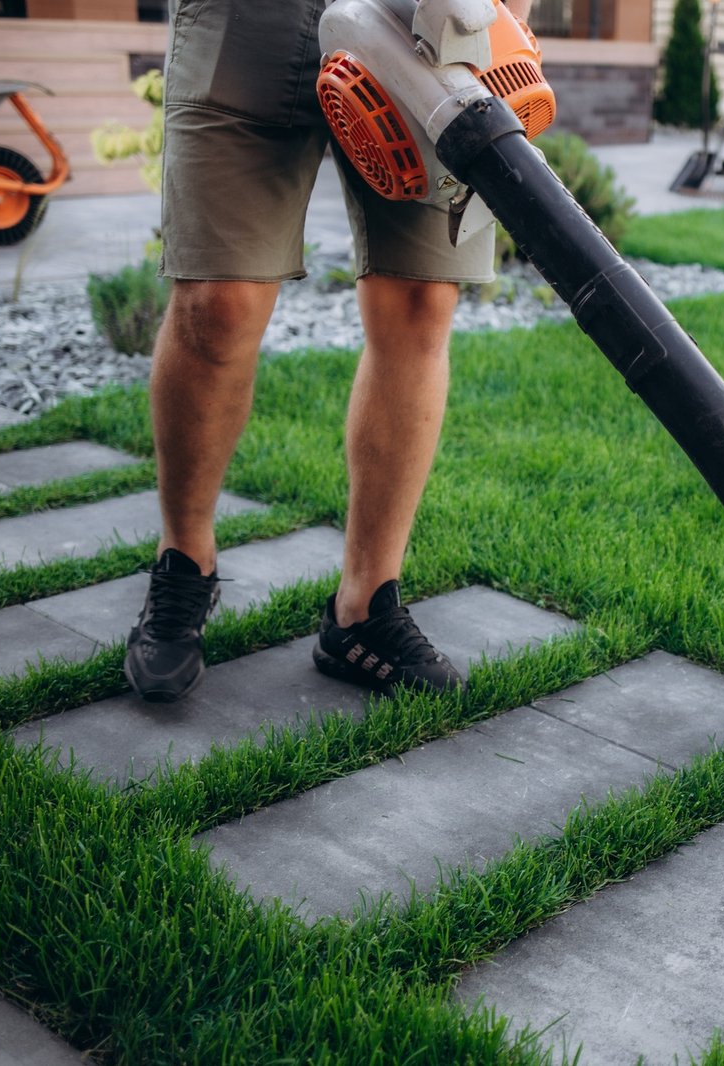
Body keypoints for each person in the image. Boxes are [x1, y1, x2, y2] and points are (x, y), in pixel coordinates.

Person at [123, 0, 532, 702]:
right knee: (216, 303)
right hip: (248, 17)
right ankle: (183, 562)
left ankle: (363, 609)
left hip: (428, 15)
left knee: (421, 298)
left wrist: (503, 17)